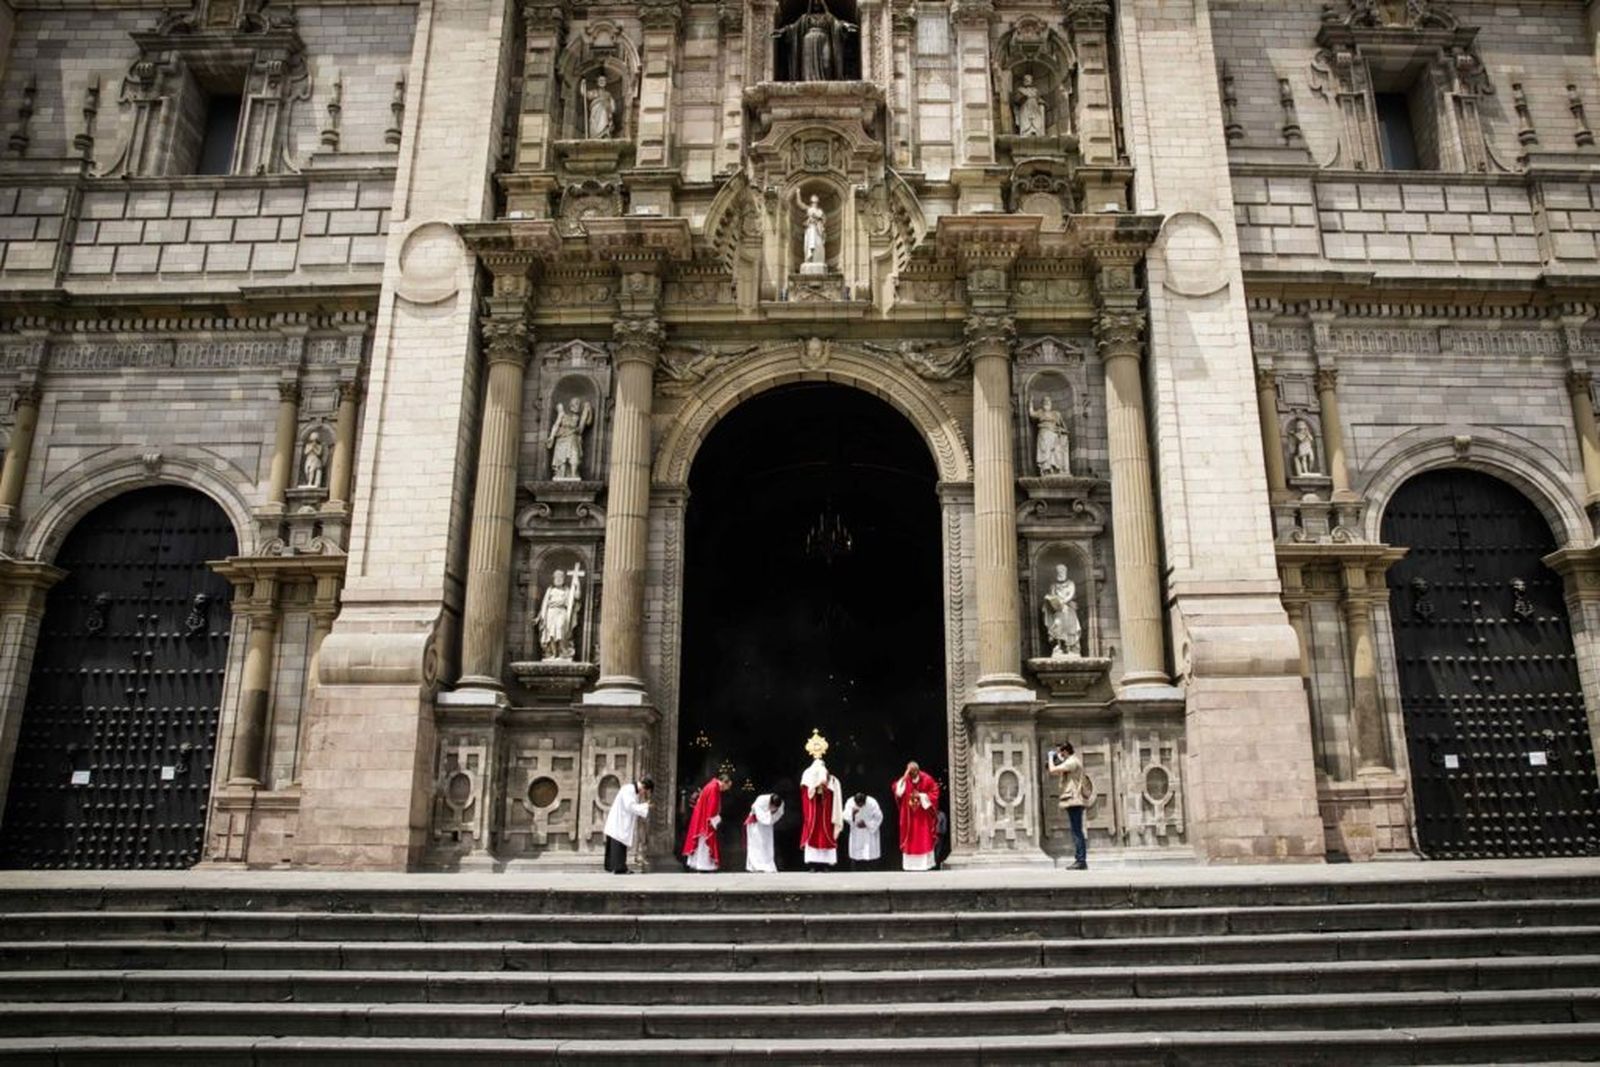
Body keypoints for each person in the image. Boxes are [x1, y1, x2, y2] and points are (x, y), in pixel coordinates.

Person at [799, 730, 844, 871]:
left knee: (825, 835)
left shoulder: (830, 776)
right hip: (814, 811)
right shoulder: (807, 774)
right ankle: (813, 865)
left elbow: (833, 790)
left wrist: (829, 783)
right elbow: (805, 792)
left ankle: (824, 864)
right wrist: (814, 787)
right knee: (813, 834)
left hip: (825, 811)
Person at [1047, 741, 1089, 870]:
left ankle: (1081, 860)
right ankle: (1080, 860)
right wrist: (1058, 760)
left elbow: (1052, 770)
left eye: (1060, 752)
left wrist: (1050, 757)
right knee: (1076, 830)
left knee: (1077, 831)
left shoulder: (1072, 762)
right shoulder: (1071, 761)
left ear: (1065, 751)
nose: (1059, 754)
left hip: (1075, 799)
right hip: (1073, 799)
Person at [893, 761, 941, 871]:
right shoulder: (905, 779)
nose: (912, 775)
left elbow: (935, 793)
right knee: (910, 839)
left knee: (923, 838)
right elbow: (898, 792)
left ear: (918, 771)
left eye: (913, 772)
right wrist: (904, 777)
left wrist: (921, 795)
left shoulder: (927, 779)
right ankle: (910, 865)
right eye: (910, 773)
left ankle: (924, 865)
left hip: (923, 817)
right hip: (908, 816)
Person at [602, 774, 653, 874]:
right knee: (618, 842)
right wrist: (646, 806)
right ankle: (619, 868)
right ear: (643, 787)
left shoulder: (632, 791)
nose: (643, 794)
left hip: (621, 821)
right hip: (618, 821)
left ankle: (620, 867)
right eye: (645, 792)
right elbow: (630, 806)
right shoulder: (628, 789)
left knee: (621, 843)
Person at [682, 773, 732, 873]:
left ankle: (699, 864)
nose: (726, 789)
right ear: (724, 783)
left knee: (701, 844)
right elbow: (712, 806)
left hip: (702, 818)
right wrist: (715, 819)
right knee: (705, 844)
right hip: (706, 821)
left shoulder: (711, 785)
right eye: (728, 786)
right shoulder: (714, 788)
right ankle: (704, 865)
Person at [745, 793, 785, 873]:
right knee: (756, 844)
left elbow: (779, 813)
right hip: (756, 824)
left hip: (768, 826)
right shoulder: (761, 800)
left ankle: (768, 864)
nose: (774, 808)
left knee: (767, 844)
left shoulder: (781, 803)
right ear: (770, 802)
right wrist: (770, 813)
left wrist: (773, 814)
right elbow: (762, 818)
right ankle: (756, 865)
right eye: (773, 806)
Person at [842, 792, 882, 870]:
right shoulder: (850, 802)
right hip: (857, 832)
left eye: (861, 804)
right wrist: (852, 814)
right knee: (856, 854)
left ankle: (870, 868)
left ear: (865, 801)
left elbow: (879, 817)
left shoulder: (872, 802)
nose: (860, 806)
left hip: (869, 833)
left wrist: (867, 824)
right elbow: (845, 815)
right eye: (858, 805)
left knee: (869, 852)